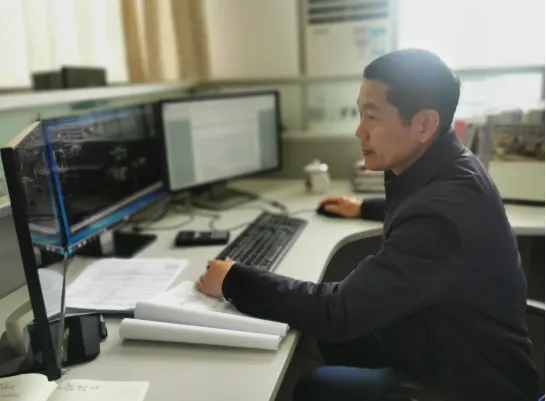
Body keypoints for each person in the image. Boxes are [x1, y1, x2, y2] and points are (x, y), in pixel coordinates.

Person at [197, 49, 539, 401]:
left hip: (469, 386)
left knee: (315, 379)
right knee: (331, 335)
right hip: (449, 340)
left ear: (424, 124)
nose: (359, 130)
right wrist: (362, 207)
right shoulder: (454, 165)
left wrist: (234, 280)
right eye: (360, 113)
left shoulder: (439, 216)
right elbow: (426, 214)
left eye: (372, 116)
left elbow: (340, 311)